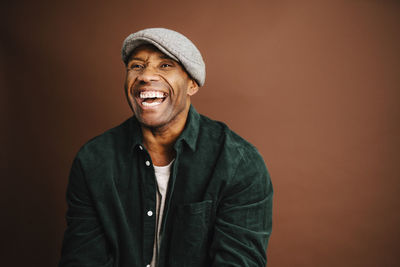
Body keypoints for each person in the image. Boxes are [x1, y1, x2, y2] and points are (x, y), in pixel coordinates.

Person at [59, 28, 273, 267]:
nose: (145, 76)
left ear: (192, 83)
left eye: (165, 65)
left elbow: (238, 262)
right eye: (137, 66)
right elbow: (83, 259)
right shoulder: (94, 160)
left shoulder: (239, 163)